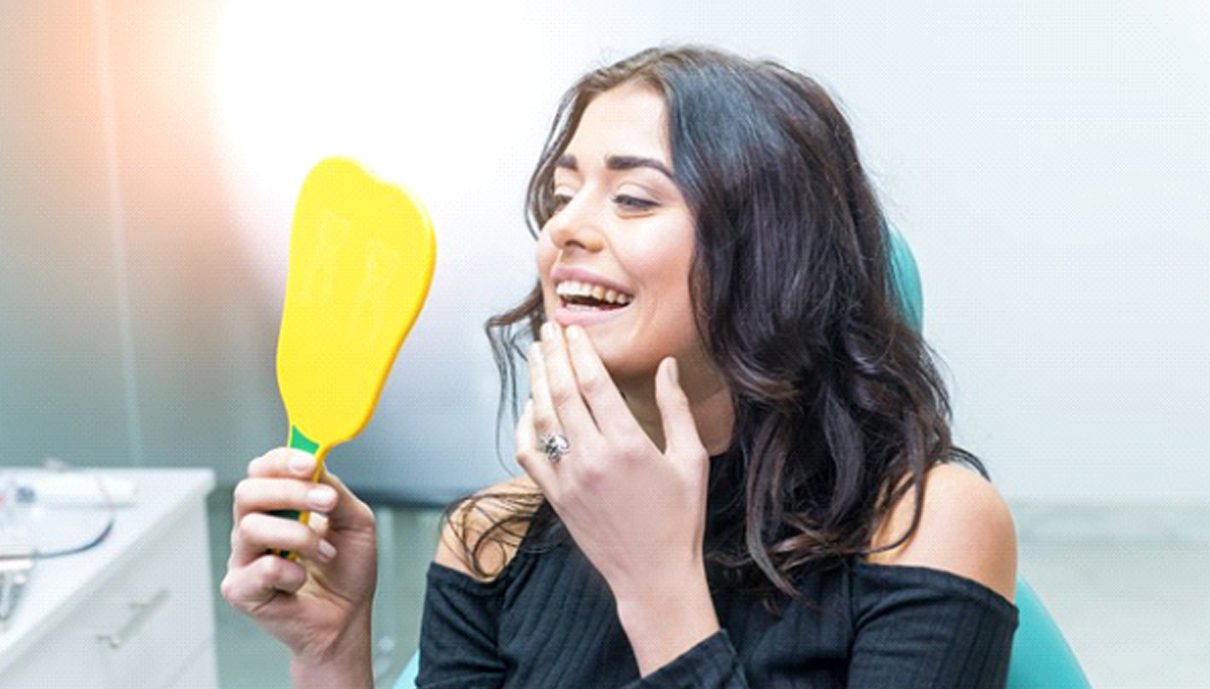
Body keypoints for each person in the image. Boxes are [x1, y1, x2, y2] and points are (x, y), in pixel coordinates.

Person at [222, 45, 1019, 688]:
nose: (566, 228)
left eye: (633, 198)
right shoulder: (489, 536)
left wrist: (655, 586)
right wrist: (330, 655)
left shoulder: (921, 525)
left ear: (775, 254)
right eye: (562, 196)